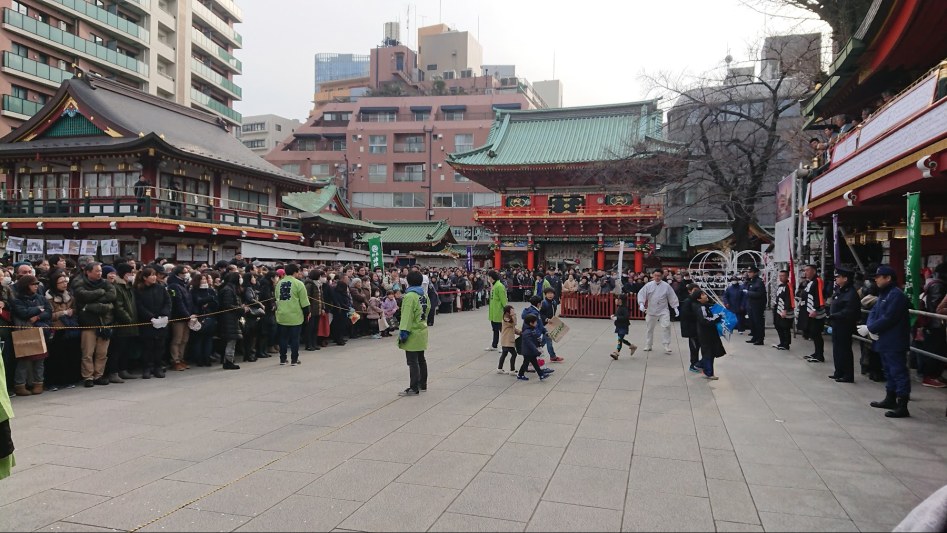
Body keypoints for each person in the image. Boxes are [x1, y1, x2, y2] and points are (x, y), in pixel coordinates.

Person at [861, 265, 912, 418]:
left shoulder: (896, 295)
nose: (876, 279)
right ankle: (890, 398)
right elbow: (874, 312)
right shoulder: (884, 294)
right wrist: (870, 327)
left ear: (888, 278)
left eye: (879, 277)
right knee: (889, 371)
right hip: (884, 340)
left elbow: (889, 318)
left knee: (898, 372)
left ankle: (902, 404)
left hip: (894, 341)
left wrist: (871, 328)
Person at [72, 262, 117, 388]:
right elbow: (83, 296)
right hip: (88, 323)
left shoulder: (106, 283)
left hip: (105, 322)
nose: (99, 273)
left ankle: (99, 375)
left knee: (102, 352)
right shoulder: (80, 282)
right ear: (88, 272)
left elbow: (112, 295)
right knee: (87, 352)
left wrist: (92, 304)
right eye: (96, 271)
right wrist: (100, 292)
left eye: (100, 271)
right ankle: (88, 376)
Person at [11, 275, 52, 396]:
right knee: (23, 361)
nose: (36, 286)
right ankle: (20, 385)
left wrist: (38, 316)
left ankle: (38, 383)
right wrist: (39, 309)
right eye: (33, 284)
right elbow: (23, 313)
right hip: (24, 331)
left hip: (40, 330)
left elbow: (49, 312)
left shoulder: (41, 297)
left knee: (40, 360)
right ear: (26, 286)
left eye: (36, 284)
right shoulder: (17, 299)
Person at [134, 267, 171, 379]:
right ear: (145, 277)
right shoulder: (138, 290)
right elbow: (139, 306)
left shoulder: (161, 288)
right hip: (147, 322)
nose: (154, 277)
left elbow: (167, 302)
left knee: (160, 346)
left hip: (161, 321)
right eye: (151, 275)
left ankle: (158, 367)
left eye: (155, 275)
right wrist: (150, 316)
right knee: (147, 346)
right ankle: (147, 368)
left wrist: (164, 314)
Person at [397, 271, 429, 396]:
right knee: (421, 359)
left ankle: (413, 387)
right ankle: (423, 384)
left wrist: (403, 332)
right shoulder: (423, 295)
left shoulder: (410, 296)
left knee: (412, 361)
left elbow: (406, 316)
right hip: (422, 329)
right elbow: (428, 309)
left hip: (412, 331)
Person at [107, 263, 139, 383]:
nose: (132, 275)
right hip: (121, 323)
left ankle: (123, 369)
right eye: (130, 273)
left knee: (126, 348)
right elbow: (119, 306)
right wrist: (128, 319)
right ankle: (113, 372)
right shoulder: (117, 287)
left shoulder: (129, 286)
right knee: (117, 349)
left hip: (131, 323)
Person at [829, 268, 860, 383]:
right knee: (837, 349)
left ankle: (848, 374)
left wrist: (835, 315)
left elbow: (849, 311)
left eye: (838, 277)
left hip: (845, 325)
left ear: (845, 278)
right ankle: (839, 372)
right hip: (836, 324)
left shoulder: (851, 293)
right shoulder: (840, 290)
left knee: (844, 350)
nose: (836, 278)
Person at [637, 269, 680, 353]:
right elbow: (641, 294)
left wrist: (675, 307)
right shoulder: (648, 285)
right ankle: (648, 344)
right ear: (652, 276)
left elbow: (672, 296)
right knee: (649, 328)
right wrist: (641, 303)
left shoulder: (666, 286)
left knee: (666, 326)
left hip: (663, 309)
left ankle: (666, 344)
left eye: (659, 276)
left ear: (662, 276)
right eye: (655, 275)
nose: (657, 277)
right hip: (651, 309)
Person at [275, 264, 310, 366]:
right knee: (295, 338)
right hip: (295, 315)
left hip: (282, 314)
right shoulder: (298, 284)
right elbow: (304, 302)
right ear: (295, 272)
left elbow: (277, 298)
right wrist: (306, 314)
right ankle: (294, 359)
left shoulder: (279, 283)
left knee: (283, 338)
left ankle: (282, 359)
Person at [919, 263, 947, 388]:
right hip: (936, 324)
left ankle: (934, 374)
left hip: (933, 323)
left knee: (936, 350)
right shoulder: (938, 285)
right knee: (935, 350)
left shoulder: (933, 283)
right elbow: (937, 308)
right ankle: (930, 376)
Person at [167, 265, 196, 372]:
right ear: (178, 273)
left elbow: (189, 301)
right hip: (178, 317)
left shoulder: (184, 284)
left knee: (184, 340)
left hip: (187, 316)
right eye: (184, 272)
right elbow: (178, 302)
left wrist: (191, 314)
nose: (186, 273)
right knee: (177, 339)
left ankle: (181, 357)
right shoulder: (174, 285)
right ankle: (175, 360)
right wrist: (186, 315)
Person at [217, 272, 246, 370]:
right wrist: (241, 309)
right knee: (231, 340)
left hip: (231, 318)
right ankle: (228, 361)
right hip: (228, 318)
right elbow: (227, 305)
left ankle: (228, 359)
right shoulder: (228, 290)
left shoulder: (230, 288)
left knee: (230, 340)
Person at [799, 264, 827, 363]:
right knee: (813, 334)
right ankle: (816, 353)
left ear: (814, 271)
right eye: (804, 270)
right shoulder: (809, 282)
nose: (805, 272)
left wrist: (815, 309)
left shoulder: (818, 281)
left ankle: (820, 355)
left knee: (816, 333)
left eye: (807, 270)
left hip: (817, 313)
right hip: (809, 312)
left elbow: (819, 295)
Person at [694, 290, 725, 380]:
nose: (705, 296)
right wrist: (717, 318)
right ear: (699, 299)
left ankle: (700, 365)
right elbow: (705, 320)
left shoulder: (705, 306)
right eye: (703, 295)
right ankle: (708, 372)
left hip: (709, 333)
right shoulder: (701, 308)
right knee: (708, 353)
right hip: (705, 334)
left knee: (710, 353)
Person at [516, 314, 547, 381]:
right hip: (528, 352)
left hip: (530, 351)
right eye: (535, 322)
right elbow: (530, 344)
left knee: (534, 363)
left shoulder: (531, 330)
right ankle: (520, 375)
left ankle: (541, 375)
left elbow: (534, 339)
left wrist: (539, 340)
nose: (536, 323)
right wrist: (536, 351)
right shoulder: (527, 332)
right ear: (531, 323)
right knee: (526, 363)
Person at [679, 283, 701, 371]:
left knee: (699, 346)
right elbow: (685, 315)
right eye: (695, 291)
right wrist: (698, 315)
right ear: (689, 291)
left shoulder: (697, 301)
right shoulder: (688, 301)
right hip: (691, 329)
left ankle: (697, 363)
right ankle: (693, 364)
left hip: (698, 328)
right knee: (694, 347)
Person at [540, 287, 564, 362]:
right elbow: (541, 314)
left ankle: (536, 350)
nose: (550, 295)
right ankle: (553, 356)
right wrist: (547, 319)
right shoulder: (544, 303)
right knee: (549, 341)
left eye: (551, 293)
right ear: (545, 294)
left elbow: (554, 312)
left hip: (551, 323)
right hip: (545, 324)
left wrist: (555, 319)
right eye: (548, 293)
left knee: (544, 340)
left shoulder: (554, 302)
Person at [610, 295, 637, 360]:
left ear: (621, 300)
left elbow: (626, 317)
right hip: (619, 326)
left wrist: (617, 318)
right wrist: (614, 316)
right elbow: (618, 314)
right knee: (621, 339)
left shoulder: (624, 308)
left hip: (623, 326)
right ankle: (632, 346)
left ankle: (616, 353)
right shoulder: (619, 307)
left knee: (619, 339)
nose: (616, 300)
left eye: (617, 299)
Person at [744, 266, 766, 345]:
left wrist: (748, 292)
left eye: (750, 272)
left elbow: (760, 294)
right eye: (748, 272)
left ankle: (760, 339)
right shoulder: (751, 281)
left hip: (757, 306)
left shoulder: (759, 282)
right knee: (752, 322)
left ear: (755, 273)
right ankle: (754, 337)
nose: (749, 274)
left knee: (758, 323)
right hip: (751, 305)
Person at [772, 270, 794, 350]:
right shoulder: (780, 286)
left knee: (785, 327)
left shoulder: (789, 286)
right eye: (780, 275)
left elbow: (789, 298)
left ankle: (786, 344)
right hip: (778, 308)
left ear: (787, 276)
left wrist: (785, 309)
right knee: (777, 325)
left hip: (784, 310)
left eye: (783, 275)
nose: (781, 277)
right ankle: (782, 342)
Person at [486, 270, 507, 351]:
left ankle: (504, 345)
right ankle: (494, 345)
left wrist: (506, 310)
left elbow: (504, 300)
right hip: (493, 311)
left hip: (499, 311)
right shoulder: (494, 286)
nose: (488, 278)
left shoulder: (499, 286)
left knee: (502, 330)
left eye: (489, 277)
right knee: (494, 329)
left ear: (492, 277)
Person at [498, 305, 520, 373]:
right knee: (514, 354)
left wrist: (519, 332)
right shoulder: (506, 318)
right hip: (507, 340)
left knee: (504, 354)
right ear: (508, 311)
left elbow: (512, 328)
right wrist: (513, 314)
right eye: (512, 310)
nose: (513, 311)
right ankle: (512, 370)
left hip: (506, 340)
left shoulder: (508, 318)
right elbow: (514, 323)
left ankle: (500, 368)